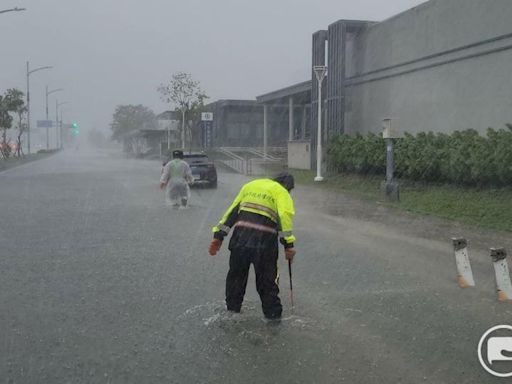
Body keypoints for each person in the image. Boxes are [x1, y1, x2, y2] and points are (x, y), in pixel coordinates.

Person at [208, 172, 296, 320]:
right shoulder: (281, 192)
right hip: (264, 244)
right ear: (288, 187)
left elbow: (232, 211)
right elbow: (284, 217)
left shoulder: (250, 186)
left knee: (236, 277)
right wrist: (288, 245)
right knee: (267, 282)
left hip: (239, 240)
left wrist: (218, 236)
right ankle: (273, 317)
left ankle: (232, 311)